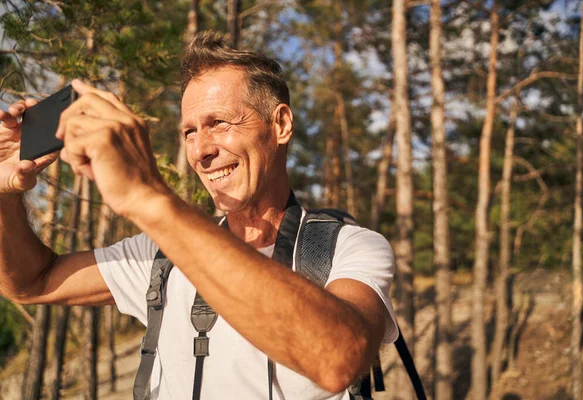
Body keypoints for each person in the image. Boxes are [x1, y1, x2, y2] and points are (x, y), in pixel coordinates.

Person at [0, 31, 398, 399]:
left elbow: (339, 359)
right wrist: (2, 192)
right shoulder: (161, 255)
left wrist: (148, 197)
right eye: (189, 132)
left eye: (219, 123)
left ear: (280, 124)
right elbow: (31, 282)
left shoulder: (344, 247)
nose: (201, 150)